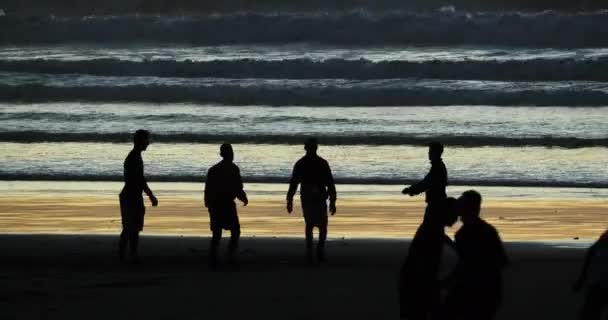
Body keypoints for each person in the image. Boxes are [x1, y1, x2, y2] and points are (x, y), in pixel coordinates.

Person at [442, 190, 508, 320]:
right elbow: (501, 260)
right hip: (491, 288)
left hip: (478, 290)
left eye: (460, 204)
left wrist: (448, 281)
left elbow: (467, 261)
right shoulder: (485, 229)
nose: (456, 205)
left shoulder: (465, 232)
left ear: (466, 209)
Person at [398, 197, 458, 320]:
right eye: (454, 214)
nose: (456, 218)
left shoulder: (433, 227)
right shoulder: (432, 231)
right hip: (417, 284)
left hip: (415, 282)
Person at [286, 138, 337, 263]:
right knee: (320, 225)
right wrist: (333, 200)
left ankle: (313, 251)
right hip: (314, 196)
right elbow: (330, 183)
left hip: (311, 196)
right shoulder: (321, 163)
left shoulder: (302, 163)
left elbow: (294, 183)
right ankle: (317, 251)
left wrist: (290, 199)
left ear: (306, 148)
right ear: (315, 148)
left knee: (312, 225)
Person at [204, 144, 248, 267]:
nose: (232, 155)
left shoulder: (214, 169)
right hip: (225, 203)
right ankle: (229, 257)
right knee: (234, 231)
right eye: (230, 152)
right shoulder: (233, 169)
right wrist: (243, 197)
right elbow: (238, 187)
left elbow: (208, 189)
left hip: (217, 204)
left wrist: (207, 202)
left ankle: (215, 258)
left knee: (217, 233)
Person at [119, 129, 158, 263]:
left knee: (130, 227)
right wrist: (151, 195)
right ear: (141, 142)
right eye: (146, 140)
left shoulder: (134, 156)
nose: (148, 143)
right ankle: (129, 255)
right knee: (132, 227)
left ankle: (126, 255)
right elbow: (139, 179)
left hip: (130, 194)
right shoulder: (134, 157)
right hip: (131, 195)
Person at [402, 142, 448, 224]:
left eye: (431, 152)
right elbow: (426, 183)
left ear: (436, 153)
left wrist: (411, 190)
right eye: (429, 151)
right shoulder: (438, 166)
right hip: (437, 202)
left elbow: (426, 183)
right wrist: (412, 190)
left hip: (436, 204)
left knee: (428, 231)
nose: (429, 153)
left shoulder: (437, 168)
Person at [573, 229, 608, 320]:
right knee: (590, 312)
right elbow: (587, 264)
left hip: (596, 284)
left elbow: (587, 265)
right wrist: (580, 281)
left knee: (590, 312)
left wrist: (580, 282)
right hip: (596, 284)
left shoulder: (598, 246)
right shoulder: (598, 246)